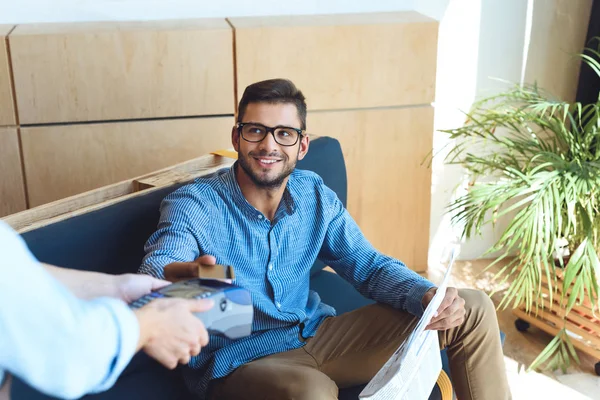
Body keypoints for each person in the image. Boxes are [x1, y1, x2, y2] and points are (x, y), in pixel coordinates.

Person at [139, 78, 511, 400]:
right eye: (256, 130)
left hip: (317, 334)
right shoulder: (195, 203)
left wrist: (425, 296)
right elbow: (154, 272)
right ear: (237, 137)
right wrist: (187, 275)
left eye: (284, 133)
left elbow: (369, 266)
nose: (269, 145)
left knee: (472, 307)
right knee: (312, 391)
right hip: (241, 359)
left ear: (301, 146)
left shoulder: (313, 193)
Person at [0, 220, 213, 400]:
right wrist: (149, 325)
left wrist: (116, 287)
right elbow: (73, 353)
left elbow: (19, 275)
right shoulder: (194, 202)